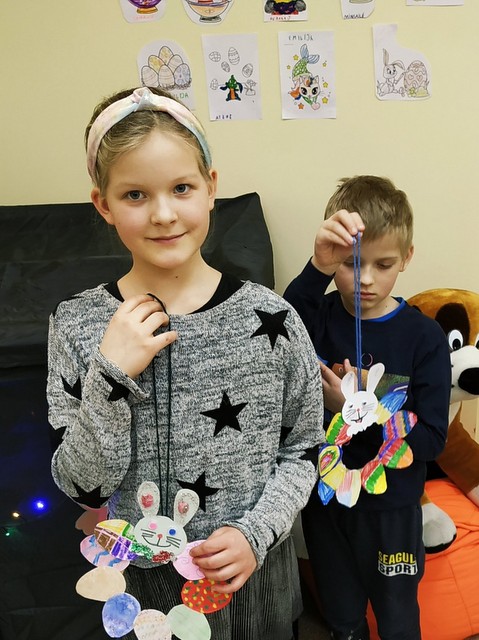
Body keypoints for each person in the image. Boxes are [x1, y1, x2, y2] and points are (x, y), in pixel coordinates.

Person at [46, 86, 323, 640]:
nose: (164, 214)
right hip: (138, 597)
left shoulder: (273, 318)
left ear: (211, 187)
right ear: (103, 204)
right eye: (135, 195)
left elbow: (304, 448)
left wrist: (256, 534)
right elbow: (83, 487)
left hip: (252, 587)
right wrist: (111, 375)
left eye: (181, 188)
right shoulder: (77, 324)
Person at [284, 175, 451, 640]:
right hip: (327, 505)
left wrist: (357, 412)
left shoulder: (424, 338)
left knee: (398, 620)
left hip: (392, 510)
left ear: (407, 258)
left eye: (384, 264)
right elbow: (276, 328)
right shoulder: (317, 317)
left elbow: (431, 440)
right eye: (350, 264)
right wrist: (317, 266)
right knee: (341, 618)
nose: (365, 279)